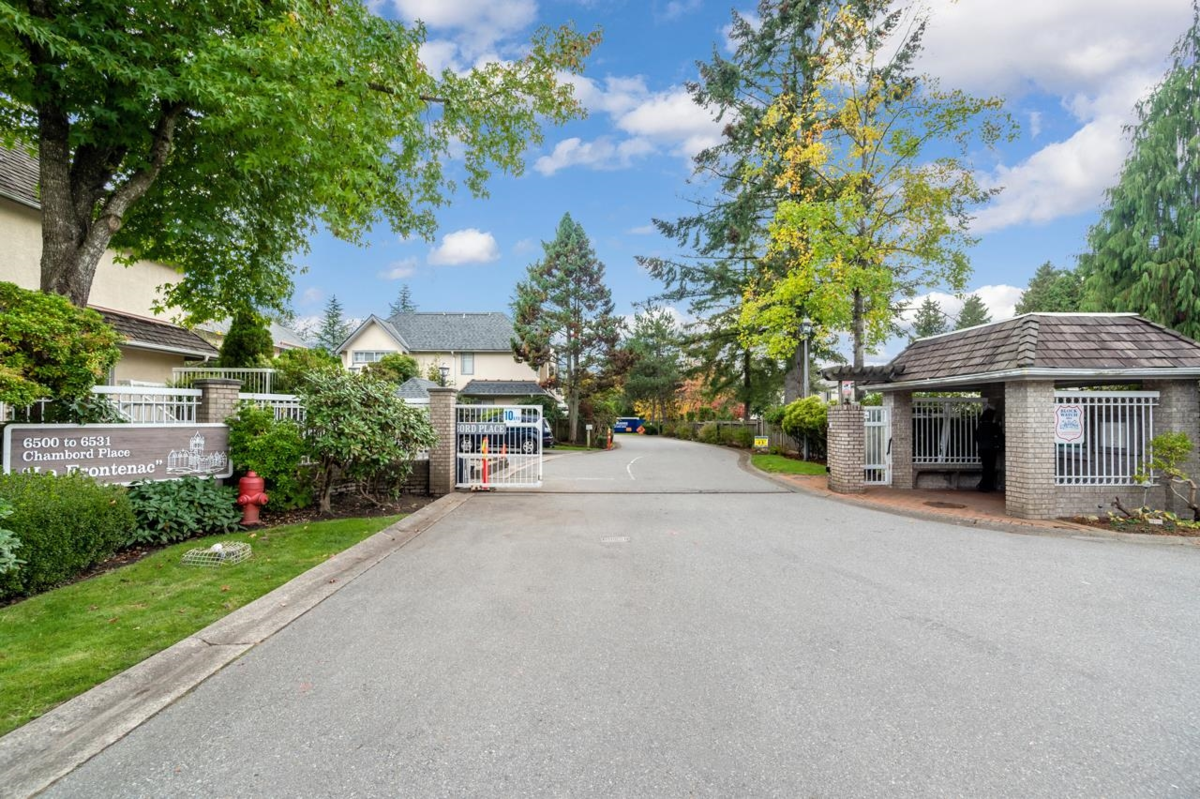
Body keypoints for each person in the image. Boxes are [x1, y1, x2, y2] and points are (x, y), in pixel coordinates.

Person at [975, 407, 1003, 492]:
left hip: (982, 449)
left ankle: (984, 485)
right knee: (990, 467)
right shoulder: (994, 426)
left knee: (986, 467)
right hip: (991, 449)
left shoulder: (980, 426)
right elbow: (1000, 436)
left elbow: (977, 437)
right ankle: (986, 485)